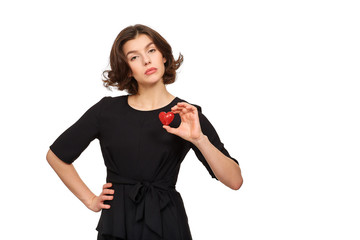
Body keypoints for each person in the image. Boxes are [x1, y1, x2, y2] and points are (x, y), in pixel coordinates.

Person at [46, 24, 243, 240]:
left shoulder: (186, 113)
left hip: (166, 222)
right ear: (127, 68)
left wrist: (199, 140)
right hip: (117, 224)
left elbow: (234, 181)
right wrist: (90, 200)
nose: (146, 60)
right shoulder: (106, 111)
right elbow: (56, 155)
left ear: (163, 56)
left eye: (151, 51)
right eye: (134, 57)